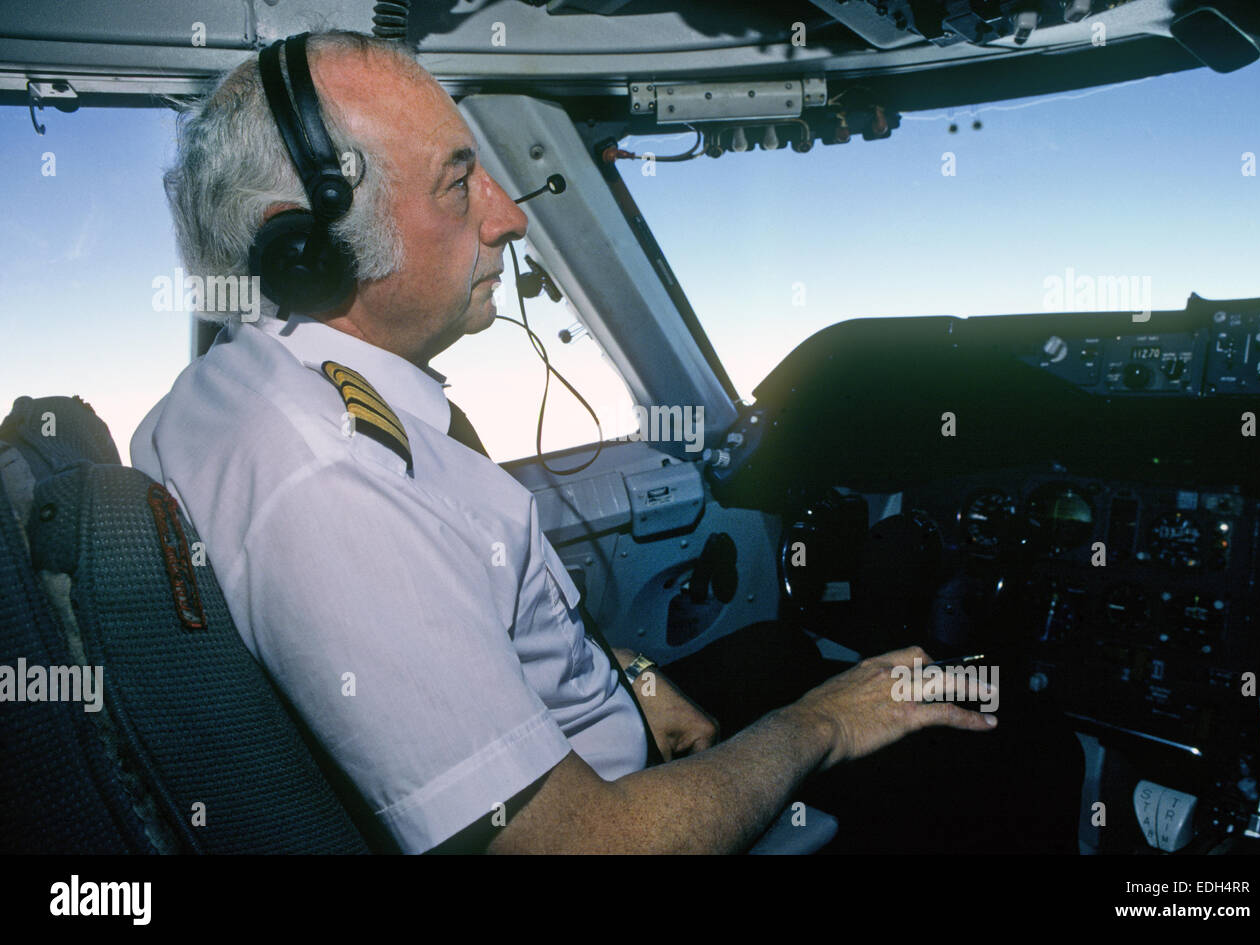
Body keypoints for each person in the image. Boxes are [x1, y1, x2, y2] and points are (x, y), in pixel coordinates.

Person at [131, 30, 1000, 854]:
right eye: (457, 182)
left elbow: (484, 625)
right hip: (609, 816)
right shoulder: (329, 484)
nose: (508, 218)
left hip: (596, 741)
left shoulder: (229, 393)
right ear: (307, 251)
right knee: (988, 759)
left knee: (780, 650)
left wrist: (631, 674)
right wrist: (828, 723)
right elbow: (581, 844)